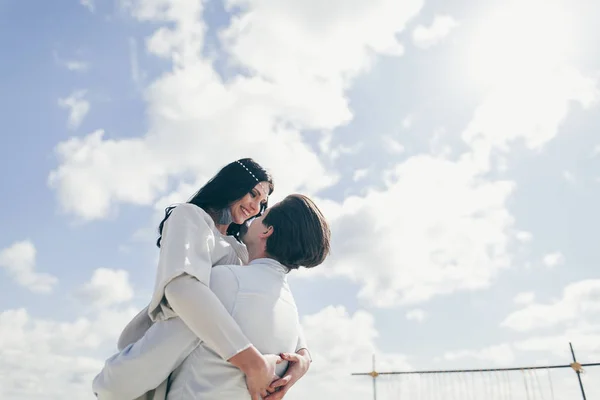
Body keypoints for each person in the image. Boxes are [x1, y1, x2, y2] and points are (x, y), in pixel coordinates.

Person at [107, 159, 312, 399]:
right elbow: (181, 285)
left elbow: (269, 297)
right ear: (234, 184)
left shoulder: (240, 248)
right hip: (163, 350)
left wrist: (304, 357)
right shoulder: (189, 216)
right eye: (253, 194)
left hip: (204, 361)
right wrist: (253, 363)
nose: (256, 207)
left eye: (262, 203)